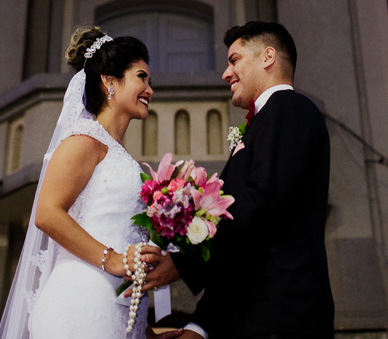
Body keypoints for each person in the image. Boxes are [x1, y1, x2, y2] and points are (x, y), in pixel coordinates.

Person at [141, 21, 336, 338]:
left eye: (234, 60)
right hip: (247, 316)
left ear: (268, 57)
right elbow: (243, 246)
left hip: (283, 315)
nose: (226, 73)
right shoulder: (264, 121)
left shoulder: (289, 108)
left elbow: (261, 206)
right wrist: (199, 326)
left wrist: (183, 265)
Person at [0, 26, 177, 339]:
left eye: (150, 81)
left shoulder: (119, 154)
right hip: (82, 302)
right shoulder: (84, 140)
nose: (150, 89)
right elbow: (47, 213)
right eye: (141, 77)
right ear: (110, 81)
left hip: (116, 310)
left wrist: (145, 332)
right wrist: (114, 259)